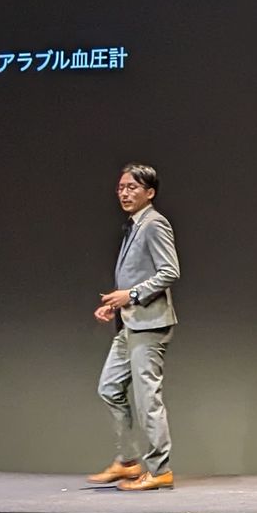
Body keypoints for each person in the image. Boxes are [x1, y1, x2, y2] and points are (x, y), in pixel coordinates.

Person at [86, 163, 180, 491]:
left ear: (149, 192)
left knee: (147, 399)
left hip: (150, 325)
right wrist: (117, 303)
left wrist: (132, 295)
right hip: (131, 323)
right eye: (121, 188)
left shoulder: (154, 224)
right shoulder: (134, 225)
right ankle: (127, 461)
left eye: (132, 187)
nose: (124, 193)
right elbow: (137, 276)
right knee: (109, 388)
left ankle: (159, 470)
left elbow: (170, 271)